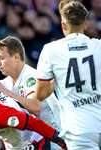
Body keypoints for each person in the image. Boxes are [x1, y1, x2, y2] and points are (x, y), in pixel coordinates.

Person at [35, 1, 101, 150]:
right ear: (85, 25)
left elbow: (39, 94)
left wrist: (58, 80)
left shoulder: (51, 50)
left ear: (63, 25)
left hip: (79, 130)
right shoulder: (99, 46)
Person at [0, 36, 62, 150]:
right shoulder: (6, 82)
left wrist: (7, 92)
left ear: (16, 57)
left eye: (1, 58)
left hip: (54, 142)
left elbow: (35, 107)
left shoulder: (32, 77)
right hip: (34, 142)